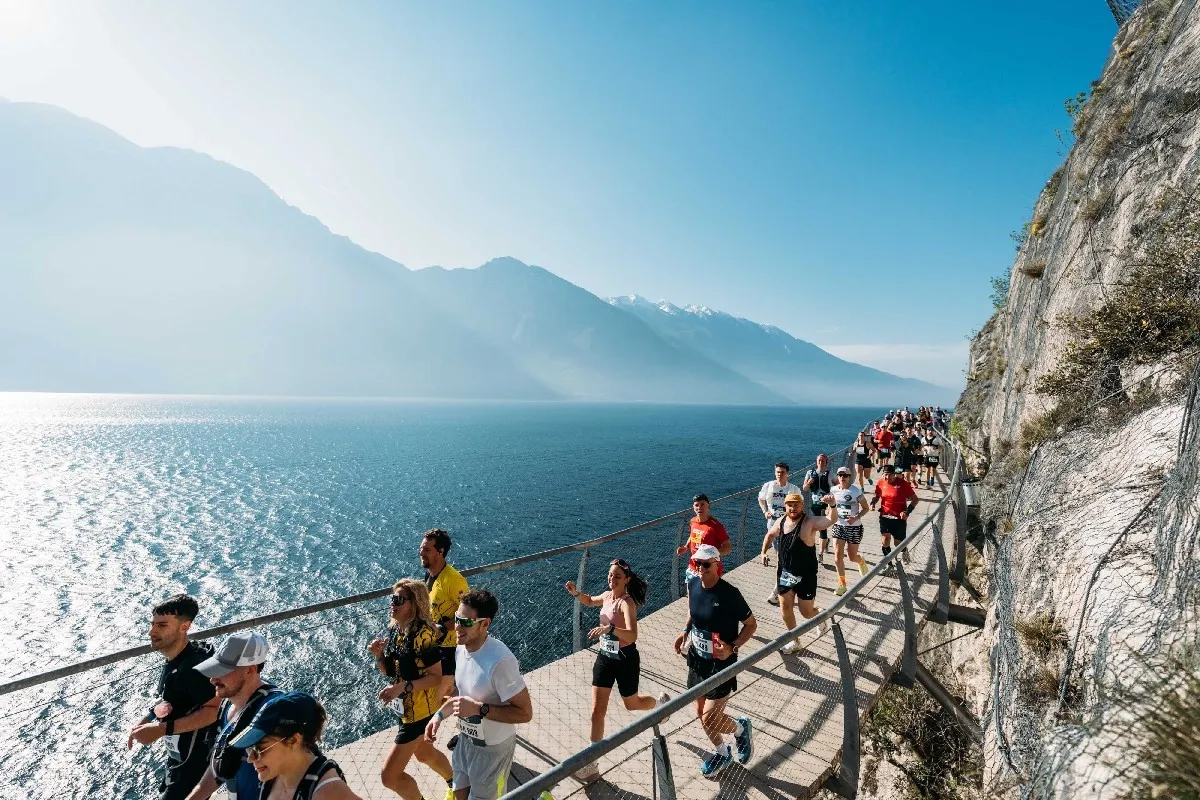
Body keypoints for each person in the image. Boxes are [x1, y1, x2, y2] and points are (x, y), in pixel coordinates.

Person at [564, 559, 669, 782]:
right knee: (596, 710)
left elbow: (632, 635)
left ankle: (660, 706)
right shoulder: (607, 595)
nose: (612, 579)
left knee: (631, 704)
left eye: (617, 577)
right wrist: (575, 593)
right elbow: (590, 600)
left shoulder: (626, 603)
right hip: (605, 657)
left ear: (627, 580)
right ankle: (591, 764)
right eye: (610, 575)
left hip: (625, 659)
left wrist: (610, 628)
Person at [425, 590, 534, 800]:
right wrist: (438, 716)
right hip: (465, 741)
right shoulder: (461, 648)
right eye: (457, 618)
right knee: (459, 794)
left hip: (492, 751)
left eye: (465, 622)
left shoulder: (500, 661)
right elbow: (461, 694)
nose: (457, 626)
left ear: (485, 624)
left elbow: (525, 713)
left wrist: (479, 709)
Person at [672, 544, 756, 777]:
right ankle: (723, 751)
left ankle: (740, 729)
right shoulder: (693, 584)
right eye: (697, 563)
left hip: (721, 665)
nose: (700, 568)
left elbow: (751, 625)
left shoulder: (730, 594)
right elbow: (692, 610)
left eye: (706, 564)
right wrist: (684, 631)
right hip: (697, 660)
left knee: (710, 718)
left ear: (717, 565)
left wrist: (732, 647)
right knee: (701, 713)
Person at [128, 594, 220, 800]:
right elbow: (175, 698)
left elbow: (213, 710)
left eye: (162, 625)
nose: (151, 632)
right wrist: (149, 717)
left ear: (184, 627)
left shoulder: (194, 668)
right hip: (180, 759)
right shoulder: (176, 659)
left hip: (197, 765)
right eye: (152, 624)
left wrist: (161, 729)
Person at [369, 579, 454, 800]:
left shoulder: (423, 634)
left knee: (389, 777)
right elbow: (390, 671)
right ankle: (457, 783)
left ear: (414, 603)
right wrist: (379, 655)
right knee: (424, 754)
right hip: (405, 709)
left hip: (419, 712)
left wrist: (402, 687)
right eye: (392, 599)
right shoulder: (398, 630)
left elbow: (436, 677)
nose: (393, 604)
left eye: (399, 600)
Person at [185, 631, 279, 800]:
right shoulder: (228, 703)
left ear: (250, 670)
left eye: (222, 671)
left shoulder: (272, 713)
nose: (213, 679)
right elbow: (220, 764)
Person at [228, 691, 361, 799]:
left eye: (260, 748)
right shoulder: (273, 778)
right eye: (250, 747)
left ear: (293, 741)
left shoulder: (328, 793)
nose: (251, 758)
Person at [760, 494, 833, 654]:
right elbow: (770, 535)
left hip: (806, 575)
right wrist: (763, 552)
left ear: (802, 505)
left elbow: (829, 521)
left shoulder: (809, 522)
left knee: (806, 613)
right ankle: (795, 641)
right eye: (790, 505)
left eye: (796, 505)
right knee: (785, 607)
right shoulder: (781, 521)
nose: (793, 508)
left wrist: (833, 506)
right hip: (786, 573)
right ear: (786, 507)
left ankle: (819, 616)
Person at [420, 529, 470, 706]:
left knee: (435, 700)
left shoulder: (454, 580)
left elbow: (470, 616)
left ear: (440, 552)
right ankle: (467, 712)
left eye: (427, 549)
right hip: (433, 645)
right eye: (421, 548)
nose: (421, 553)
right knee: (444, 694)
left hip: (450, 648)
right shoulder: (430, 575)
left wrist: (442, 627)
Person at [758, 463, 801, 606]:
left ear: (787, 473)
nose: (779, 474)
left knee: (781, 558)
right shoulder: (768, 486)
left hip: (788, 527)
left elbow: (800, 504)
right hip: (772, 526)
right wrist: (765, 511)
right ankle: (783, 584)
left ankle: (777, 590)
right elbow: (761, 499)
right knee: (780, 557)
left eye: (782, 472)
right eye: (777, 472)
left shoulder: (793, 489)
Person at [826, 467, 870, 597]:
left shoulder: (855, 491)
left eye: (845, 475)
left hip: (854, 527)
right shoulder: (833, 490)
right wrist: (829, 513)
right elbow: (831, 506)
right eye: (840, 474)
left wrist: (856, 517)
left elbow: (866, 508)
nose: (842, 477)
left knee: (851, 557)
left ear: (850, 476)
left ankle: (860, 561)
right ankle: (842, 584)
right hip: (839, 526)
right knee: (837, 557)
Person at [675, 494, 731, 592]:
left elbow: (728, 548)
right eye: (696, 505)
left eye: (702, 504)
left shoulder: (716, 526)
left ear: (708, 506)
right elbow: (693, 535)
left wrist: (711, 556)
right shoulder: (693, 521)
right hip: (693, 566)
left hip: (709, 569)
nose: (699, 508)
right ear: (693, 507)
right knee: (691, 595)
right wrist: (686, 546)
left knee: (709, 597)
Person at [870, 465, 920, 569]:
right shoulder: (880, 482)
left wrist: (907, 512)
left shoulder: (903, 484)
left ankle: (904, 551)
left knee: (898, 544)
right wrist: (872, 503)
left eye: (889, 475)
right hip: (885, 516)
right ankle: (889, 565)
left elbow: (915, 499)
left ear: (894, 474)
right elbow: (877, 495)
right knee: (885, 540)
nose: (887, 478)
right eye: (885, 475)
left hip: (899, 519)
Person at [802, 454, 834, 563]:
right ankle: (824, 542)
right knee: (812, 528)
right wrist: (808, 483)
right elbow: (805, 488)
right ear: (816, 462)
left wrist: (832, 499)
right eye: (819, 461)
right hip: (814, 505)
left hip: (825, 506)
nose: (821, 462)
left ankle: (820, 553)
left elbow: (838, 486)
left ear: (826, 462)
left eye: (823, 461)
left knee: (822, 530)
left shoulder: (830, 474)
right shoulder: (810, 473)